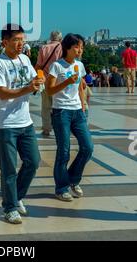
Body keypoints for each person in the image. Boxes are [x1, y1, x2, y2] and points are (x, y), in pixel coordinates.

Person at [0, 24, 44, 224]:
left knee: (33, 162)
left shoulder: (25, 59)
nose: (21, 44)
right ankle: (10, 207)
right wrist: (28, 89)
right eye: (16, 40)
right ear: (5, 42)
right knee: (9, 168)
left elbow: (33, 82)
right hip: (6, 124)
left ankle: (17, 196)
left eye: (23, 39)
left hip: (25, 121)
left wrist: (39, 84)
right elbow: (2, 93)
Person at [46, 33, 93, 202]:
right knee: (64, 151)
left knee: (88, 147)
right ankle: (61, 187)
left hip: (77, 112)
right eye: (77, 47)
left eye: (81, 47)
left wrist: (82, 106)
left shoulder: (79, 65)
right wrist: (66, 82)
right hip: (61, 112)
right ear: (67, 47)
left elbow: (80, 87)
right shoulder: (57, 66)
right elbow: (49, 90)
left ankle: (73, 179)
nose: (80, 50)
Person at [35, 31, 62, 137]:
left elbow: (38, 66)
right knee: (59, 105)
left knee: (46, 106)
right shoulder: (62, 47)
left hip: (45, 80)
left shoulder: (43, 48)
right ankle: (60, 127)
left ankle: (46, 129)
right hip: (58, 81)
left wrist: (37, 78)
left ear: (51, 38)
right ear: (60, 38)